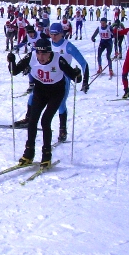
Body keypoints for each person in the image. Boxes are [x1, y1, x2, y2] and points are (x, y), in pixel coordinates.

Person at [8, 38, 82, 168]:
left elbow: (75, 77)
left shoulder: (58, 59)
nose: (41, 57)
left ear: (50, 53)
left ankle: (46, 154)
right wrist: (11, 61)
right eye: (39, 53)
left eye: (44, 54)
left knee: (45, 121)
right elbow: (14, 71)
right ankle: (29, 153)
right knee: (32, 121)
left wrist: (78, 74)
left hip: (56, 93)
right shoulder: (31, 57)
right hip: (40, 91)